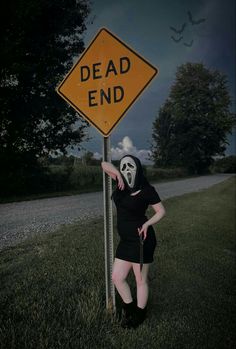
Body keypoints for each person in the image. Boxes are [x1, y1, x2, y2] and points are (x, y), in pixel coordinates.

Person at [101, 154, 166, 329]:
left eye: (130, 166)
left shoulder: (147, 190)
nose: (126, 170)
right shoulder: (121, 185)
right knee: (117, 277)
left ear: (138, 168)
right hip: (126, 241)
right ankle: (129, 307)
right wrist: (117, 173)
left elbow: (161, 211)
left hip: (141, 239)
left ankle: (140, 314)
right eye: (123, 167)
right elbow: (104, 164)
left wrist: (147, 223)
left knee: (140, 279)